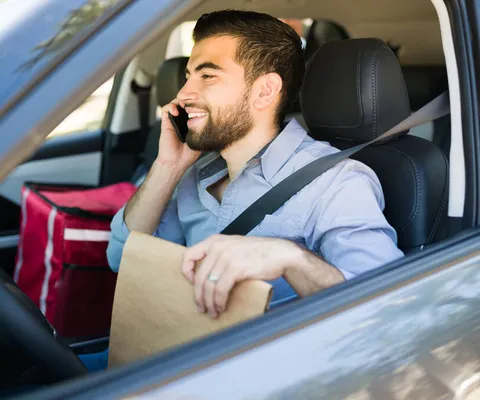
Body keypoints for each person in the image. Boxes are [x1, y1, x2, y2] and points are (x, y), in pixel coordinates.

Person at [106, 9, 404, 319]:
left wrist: (291, 258)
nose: (182, 94)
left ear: (264, 91)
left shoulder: (335, 183)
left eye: (207, 76)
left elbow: (386, 308)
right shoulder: (191, 175)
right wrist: (168, 167)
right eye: (188, 76)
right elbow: (121, 259)